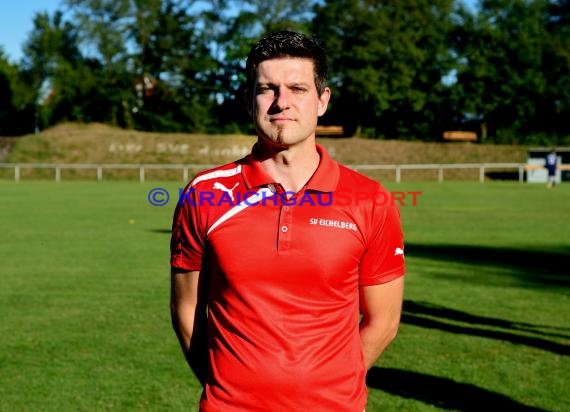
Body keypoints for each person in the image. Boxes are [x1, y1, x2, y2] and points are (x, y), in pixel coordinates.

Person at [170, 30, 406, 412]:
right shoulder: (203, 195)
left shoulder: (370, 199)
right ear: (249, 101)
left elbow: (384, 320)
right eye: (267, 89)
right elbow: (187, 310)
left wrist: (334, 388)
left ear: (322, 100)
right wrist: (226, 387)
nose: (282, 103)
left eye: (297, 88)